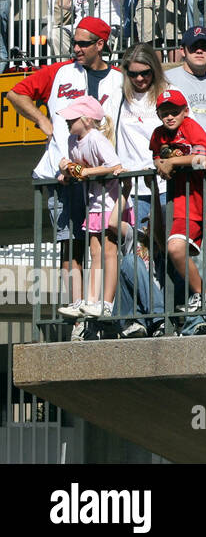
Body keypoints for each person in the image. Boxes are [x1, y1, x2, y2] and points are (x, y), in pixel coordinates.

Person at [15, 17, 123, 331]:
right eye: (74, 42)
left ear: (101, 44)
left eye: (83, 43)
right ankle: (77, 310)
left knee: (104, 243)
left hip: (102, 178)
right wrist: (42, 122)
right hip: (60, 173)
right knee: (70, 243)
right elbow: (17, 94)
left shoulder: (118, 79)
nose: (75, 48)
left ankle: (102, 306)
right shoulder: (59, 71)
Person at [150, 88, 206, 334]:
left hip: (205, 201)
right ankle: (203, 296)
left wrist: (172, 162)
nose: (169, 117)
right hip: (181, 205)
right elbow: (156, 158)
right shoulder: (158, 134)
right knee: (175, 248)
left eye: (175, 112)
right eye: (164, 113)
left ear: (185, 111)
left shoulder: (190, 126)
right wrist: (161, 162)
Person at [109, 43, 168, 338]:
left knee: (167, 253)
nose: (140, 79)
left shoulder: (164, 96)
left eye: (145, 73)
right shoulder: (120, 99)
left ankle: (156, 316)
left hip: (164, 186)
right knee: (138, 257)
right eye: (133, 74)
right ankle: (143, 319)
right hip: (135, 190)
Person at [55, 96, 127, 327]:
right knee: (95, 253)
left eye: (72, 119)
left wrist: (86, 173)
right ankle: (91, 301)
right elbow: (76, 169)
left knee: (108, 252)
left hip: (110, 202)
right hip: (94, 203)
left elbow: (114, 165)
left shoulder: (96, 138)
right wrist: (66, 172)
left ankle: (105, 302)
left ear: (86, 120)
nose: (68, 122)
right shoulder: (72, 140)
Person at [164, 26, 206, 143]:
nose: (199, 51)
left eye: (204, 47)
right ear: (182, 51)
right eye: (193, 47)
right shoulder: (168, 79)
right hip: (179, 155)